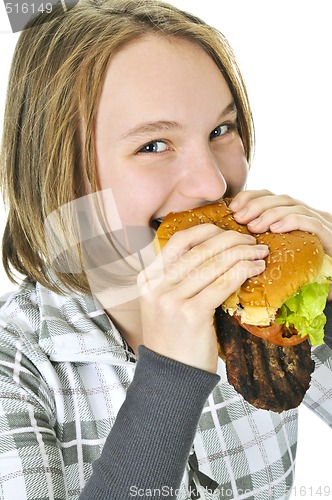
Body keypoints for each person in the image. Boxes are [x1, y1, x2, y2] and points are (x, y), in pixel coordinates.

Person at [0, 1, 332, 499]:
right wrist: (170, 379)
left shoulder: (264, 301)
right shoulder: (17, 369)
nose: (213, 183)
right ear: (59, 174)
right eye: (153, 145)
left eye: (221, 130)